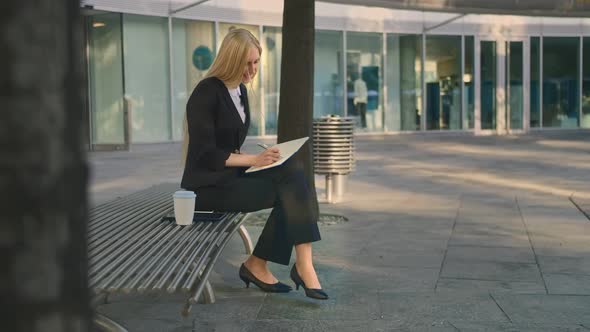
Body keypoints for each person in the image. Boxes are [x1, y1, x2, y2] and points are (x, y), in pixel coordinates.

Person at [180, 28, 328, 300]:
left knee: (293, 173)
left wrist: (263, 159)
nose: (252, 69)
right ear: (230, 60)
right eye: (246, 63)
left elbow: (229, 146)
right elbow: (206, 153)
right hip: (205, 189)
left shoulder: (240, 92)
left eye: (256, 62)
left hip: (229, 178)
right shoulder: (207, 92)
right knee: (292, 192)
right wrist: (254, 160)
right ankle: (275, 265)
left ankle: (287, 264)